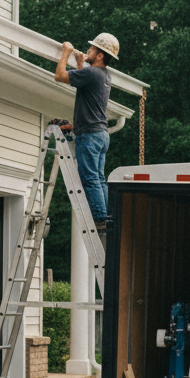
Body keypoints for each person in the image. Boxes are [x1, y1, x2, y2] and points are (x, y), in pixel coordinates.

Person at [54, 33, 120, 237]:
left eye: (92, 49)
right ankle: (107, 217)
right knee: (99, 178)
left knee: (90, 179)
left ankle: (100, 219)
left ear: (100, 55)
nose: (88, 50)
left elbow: (60, 76)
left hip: (90, 135)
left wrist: (65, 53)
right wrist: (81, 63)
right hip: (101, 134)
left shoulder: (92, 74)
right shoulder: (104, 76)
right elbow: (85, 85)